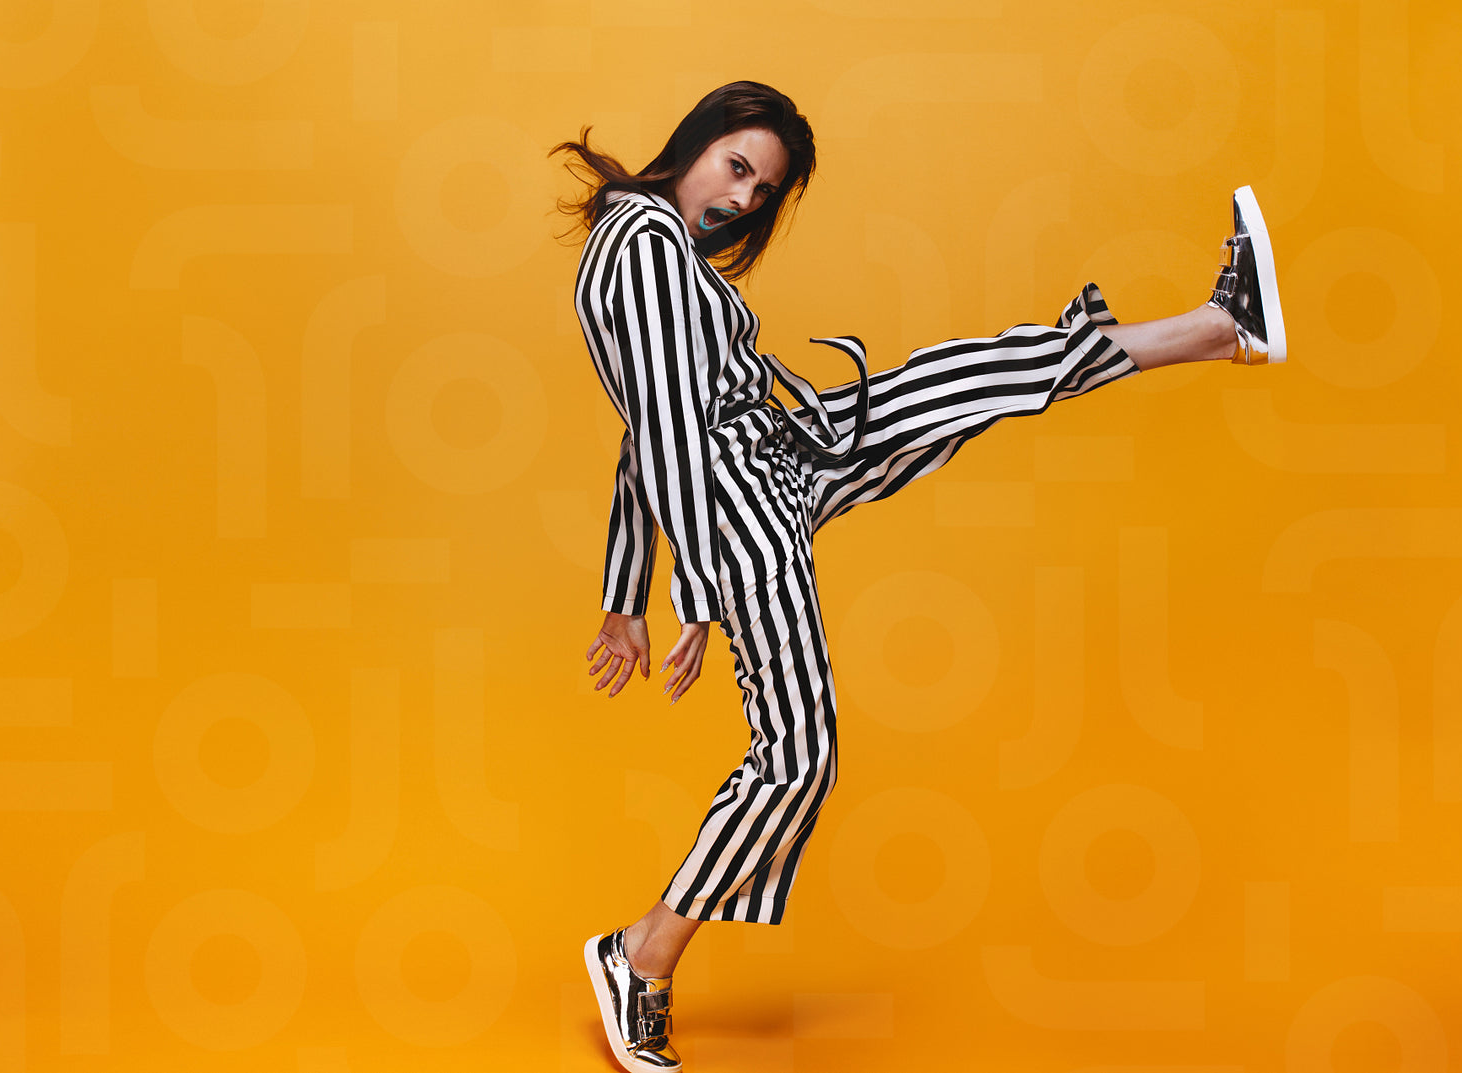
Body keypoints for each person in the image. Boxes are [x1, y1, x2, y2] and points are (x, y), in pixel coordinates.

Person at [549, 80, 1285, 1073]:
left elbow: (646, 432)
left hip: (778, 457)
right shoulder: (643, 245)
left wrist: (622, 595)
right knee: (799, 758)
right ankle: (641, 955)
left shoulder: (652, 244)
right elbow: (670, 429)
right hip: (740, 502)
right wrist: (696, 592)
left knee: (969, 377)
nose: (743, 199)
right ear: (697, 142)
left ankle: (1221, 327)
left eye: (762, 190)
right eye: (738, 167)